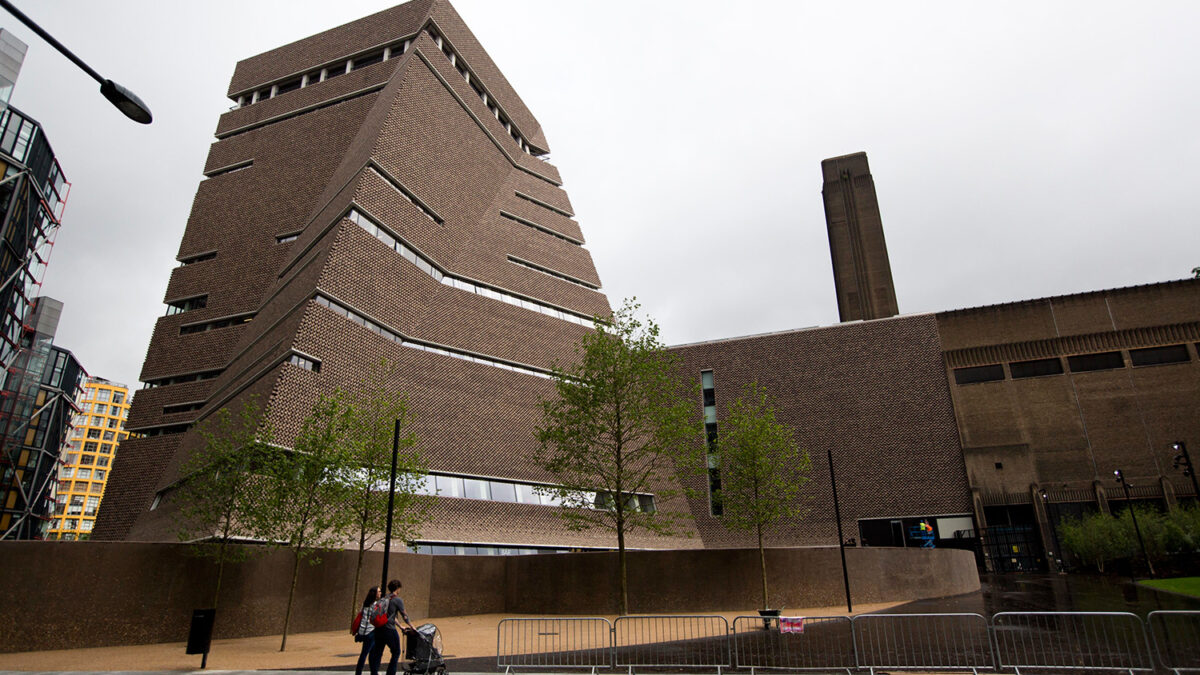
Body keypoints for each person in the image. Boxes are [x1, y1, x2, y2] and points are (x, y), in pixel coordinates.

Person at [370, 578, 415, 675]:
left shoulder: (385, 598)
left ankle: (374, 673)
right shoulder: (397, 600)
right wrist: (412, 626)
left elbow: (390, 616)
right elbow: (404, 615)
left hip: (379, 629)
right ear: (398, 588)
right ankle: (390, 673)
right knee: (396, 652)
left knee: (378, 652)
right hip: (389, 629)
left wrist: (400, 626)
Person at [354, 586, 384, 675]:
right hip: (370, 631)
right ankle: (359, 672)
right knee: (365, 653)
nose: (380, 593)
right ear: (375, 594)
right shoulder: (376, 605)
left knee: (371, 653)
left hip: (363, 631)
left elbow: (361, 615)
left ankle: (374, 672)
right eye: (379, 591)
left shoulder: (365, 604)